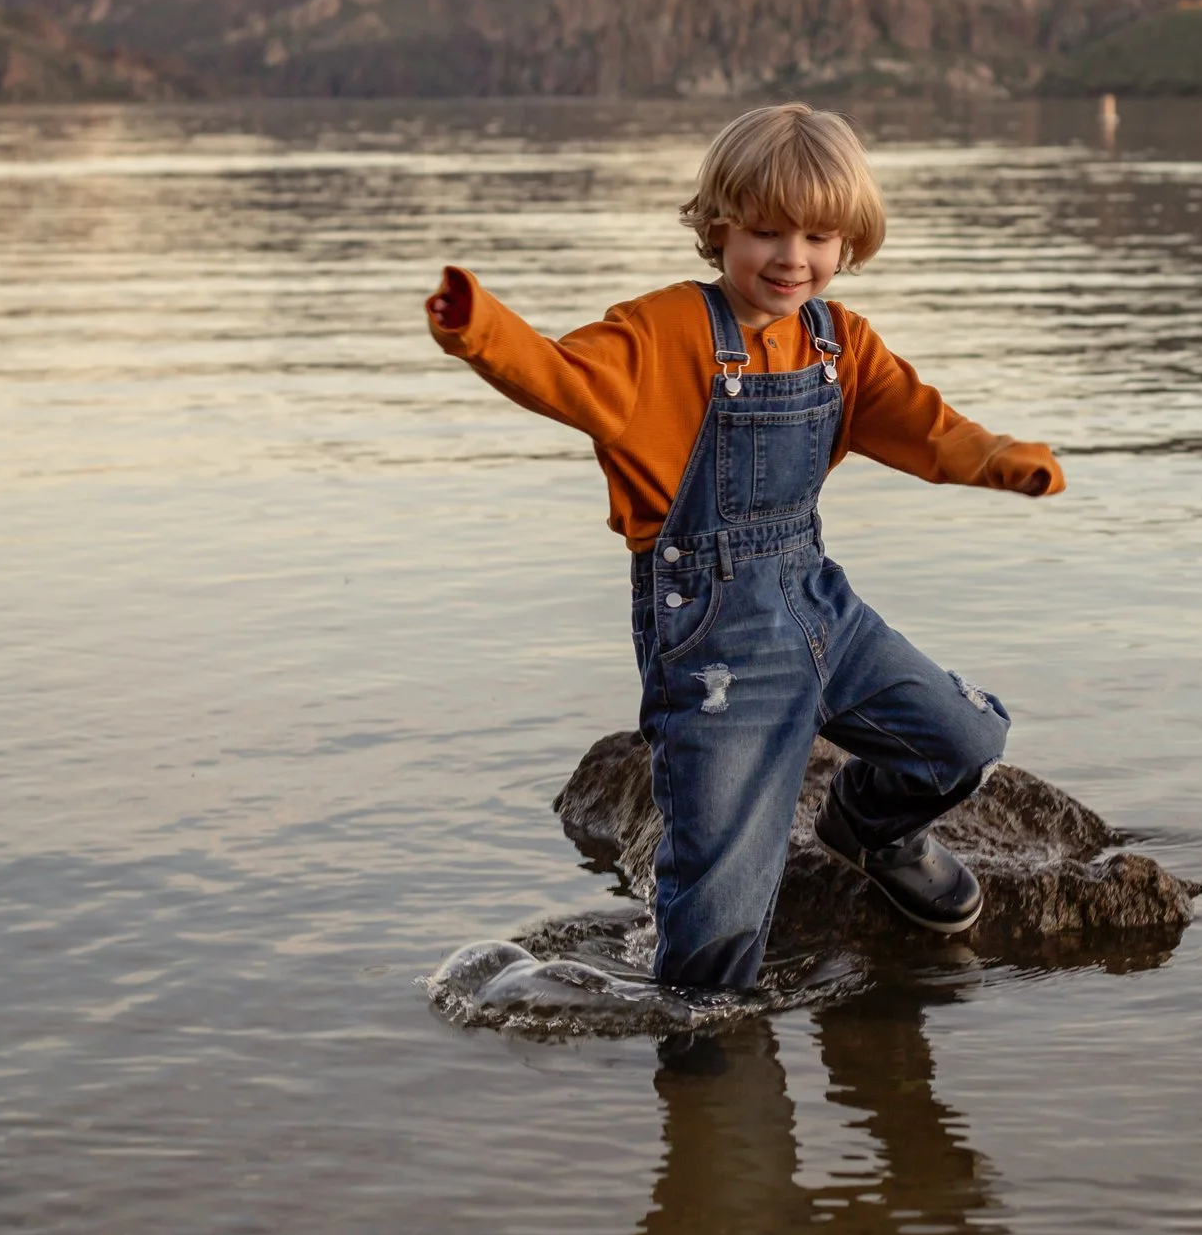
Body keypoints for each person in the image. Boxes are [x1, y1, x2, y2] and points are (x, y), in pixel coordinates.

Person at [425, 103, 1064, 989]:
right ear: (718, 227)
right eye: (766, 230)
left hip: (818, 604)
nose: (792, 256)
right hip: (717, 640)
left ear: (849, 243)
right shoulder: (666, 334)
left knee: (961, 735)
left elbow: (928, 428)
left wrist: (998, 461)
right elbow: (566, 378)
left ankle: (868, 830)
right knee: (721, 919)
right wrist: (480, 328)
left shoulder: (842, 345)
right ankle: (702, 1054)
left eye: (817, 234)